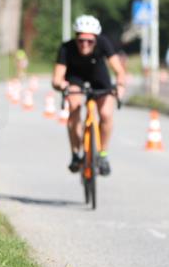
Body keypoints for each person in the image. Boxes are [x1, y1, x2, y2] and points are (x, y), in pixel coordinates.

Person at [52, 15, 127, 176]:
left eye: (89, 41)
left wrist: (120, 86)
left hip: (99, 78)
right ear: (75, 38)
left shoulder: (103, 43)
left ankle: (103, 154)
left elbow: (119, 71)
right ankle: (75, 153)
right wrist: (62, 85)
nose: (85, 44)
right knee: (74, 106)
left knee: (106, 114)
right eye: (81, 40)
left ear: (96, 39)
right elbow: (57, 79)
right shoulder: (66, 48)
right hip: (75, 78)